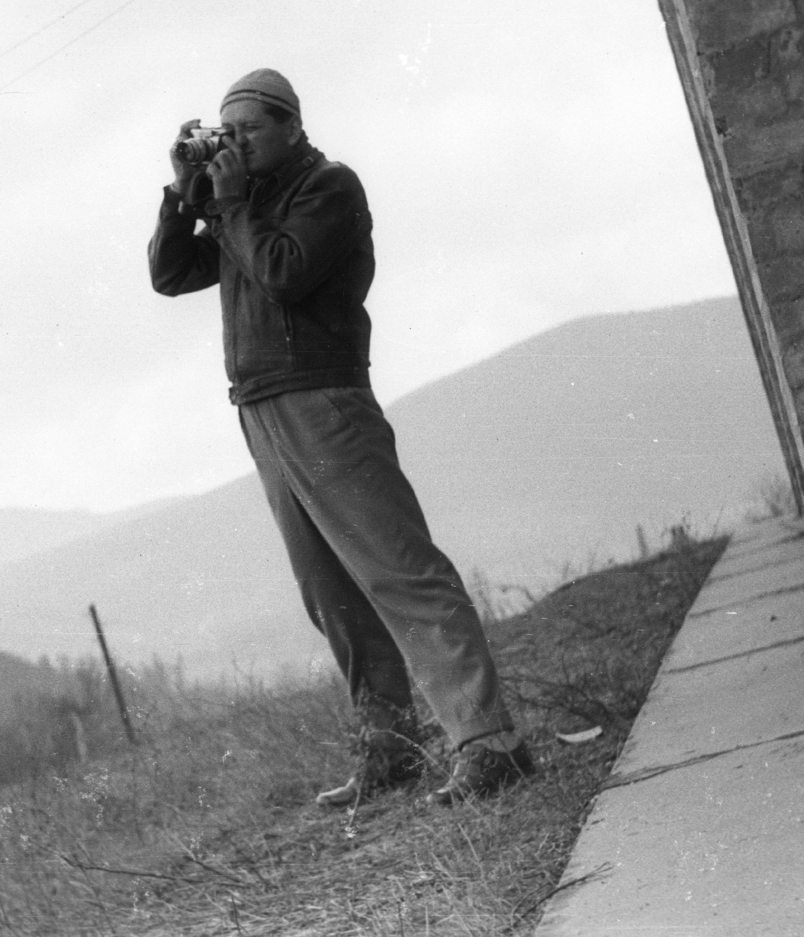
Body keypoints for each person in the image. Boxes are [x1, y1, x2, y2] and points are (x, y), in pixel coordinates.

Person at [147, 68, 535, 806]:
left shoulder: (328, 187)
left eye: (247, 131)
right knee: (330, 592)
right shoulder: (243, 205)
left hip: (322, 398)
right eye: (223, 135)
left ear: (291, 125)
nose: (234, 145)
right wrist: (180, 194)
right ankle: (390, 751)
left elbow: (284, 274)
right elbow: (170, 274)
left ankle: (491, 742)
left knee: (398, 569)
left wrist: (228, 203)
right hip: (260, 405)